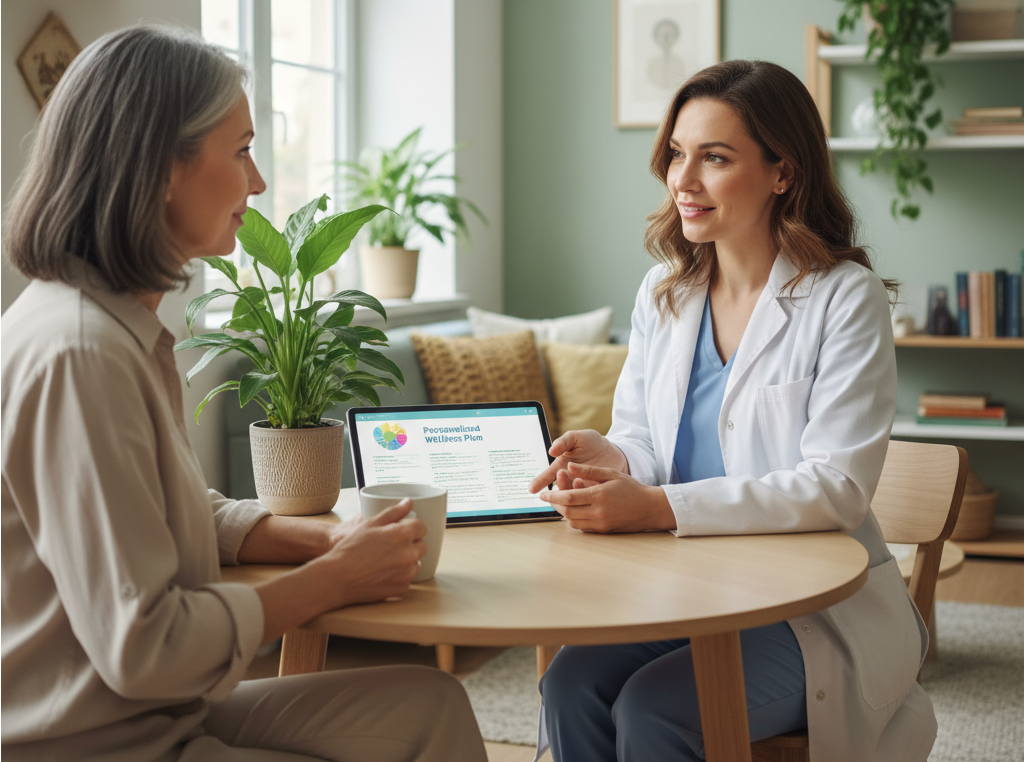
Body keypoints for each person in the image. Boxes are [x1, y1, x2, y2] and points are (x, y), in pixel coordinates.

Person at [1, 25, 486, 762]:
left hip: (156, 714)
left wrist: (320, 536)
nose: (258, 182)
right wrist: (331, 581)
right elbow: (144, 645)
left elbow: (171, 509)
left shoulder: (111, 325)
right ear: (164, 165)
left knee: (433, 703)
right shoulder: (79, 353)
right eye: (241, 150)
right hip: (100, 741)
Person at [527, 60, 936, 762]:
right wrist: (617, 458)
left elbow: (837, 488)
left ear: (784, 171)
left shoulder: (845, 297)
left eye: (714, 158)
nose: (683, 180)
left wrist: (656, 507)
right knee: (570, 685)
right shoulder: (666, 289)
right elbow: (645, 439)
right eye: (677, 154)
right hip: (686, 585)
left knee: (657, 709)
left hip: (808, 608)